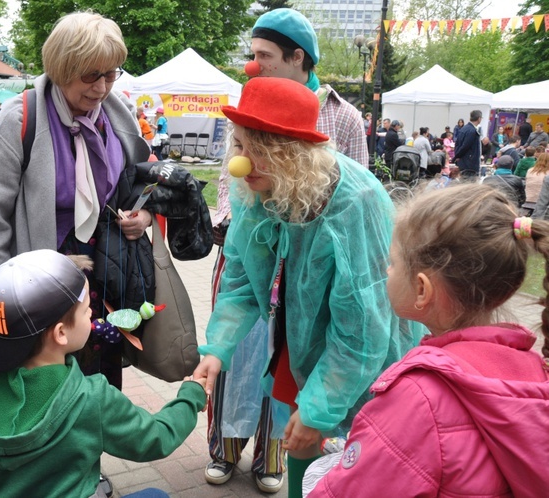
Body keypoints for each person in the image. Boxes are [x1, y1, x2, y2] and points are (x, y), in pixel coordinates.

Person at [193, 77, 422, 498]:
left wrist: (319, 407)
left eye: (256, 152)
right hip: (297, 336)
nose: (239, 165)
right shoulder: (255, 188)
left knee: (365, 444)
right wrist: (218, 348)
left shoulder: (356, 203)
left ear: (292, 155)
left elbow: (362, 330)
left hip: (364, 351)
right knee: (299, 432)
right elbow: (242, 279)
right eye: (239, 147)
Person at [307, 184, 549, 497]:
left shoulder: (416, 401)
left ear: (422, 290)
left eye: (393, 262)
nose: (386, 268)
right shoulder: (535, 370)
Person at [0, 11, 160, 398]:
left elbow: (142, 181)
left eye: (112, 74)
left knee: (100, 380)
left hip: (105, 274)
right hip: (42, 280)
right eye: (91, 75)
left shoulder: (115, 111)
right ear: (61, 67)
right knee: (49, 384)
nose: (102, 87)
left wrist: (142, 215)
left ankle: (92, 449)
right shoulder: (19, 119)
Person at [0, 249, 206, 498]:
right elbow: (156, 438)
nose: (91, 313)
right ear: (60, 333)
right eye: (85, 310)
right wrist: (191, 396)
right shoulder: (91, 398)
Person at [249, 8, 367, 166]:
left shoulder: (345, 117)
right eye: (254, 55)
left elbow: (360, 188)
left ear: (297, 57)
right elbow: (227, 183)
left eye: (264, 55)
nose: (252, 66)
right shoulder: (249, 107)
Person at [452, 110, 482, 178]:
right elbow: (465, 146)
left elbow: (457, 144)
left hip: (464, 162)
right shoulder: (472, 131)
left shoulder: (464, 129)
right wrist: (457, 156)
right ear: (479, 118)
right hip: (470, 164)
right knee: (469, 185)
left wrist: (457, 156)